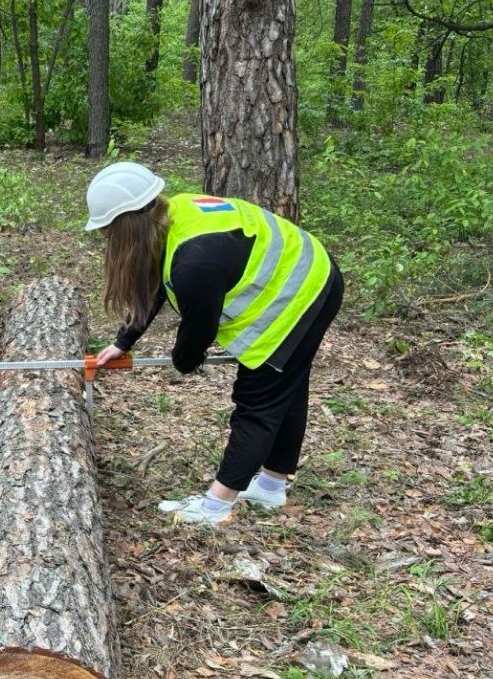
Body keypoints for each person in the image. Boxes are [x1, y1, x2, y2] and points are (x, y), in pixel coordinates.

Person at [85, 161, 344, 526]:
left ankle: (216, 506)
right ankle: (270, 486)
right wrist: (124, 341)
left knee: (259, 402)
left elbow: (199, 330)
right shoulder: (174, 215)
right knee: (288, 385)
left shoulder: (194, 263)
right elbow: (157, 283)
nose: (105, 239)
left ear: (127, 226)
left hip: (301, 292)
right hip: (312, 269)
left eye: (107, 232)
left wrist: (183, 360)